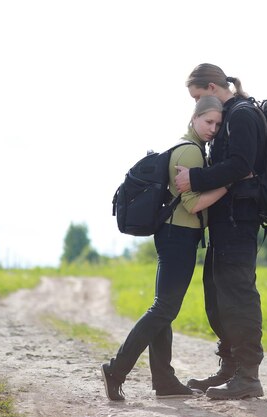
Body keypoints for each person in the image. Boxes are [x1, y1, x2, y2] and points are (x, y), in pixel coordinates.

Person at [101, 96, 227, 401]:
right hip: (178, 236)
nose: (213, 128)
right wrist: (228, 184)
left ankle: (164, 380)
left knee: (164, 309)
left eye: (218, 124)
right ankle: (116, 370)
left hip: (173, 234)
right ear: (194, 118)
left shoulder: (187, 147)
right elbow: (193, 203)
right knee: (163, 309)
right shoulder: (190, 152)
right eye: (208, 121)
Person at [175, 63, 266, 400]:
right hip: (224, 222)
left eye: (198, 97)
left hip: (239, 221)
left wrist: (195, 179)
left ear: (212, 88)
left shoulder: (241, 115)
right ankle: (229, 369)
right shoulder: (228, 117)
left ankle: (248, 377)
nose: (197, 106)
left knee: (238, 297)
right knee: (216, 295)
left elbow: (242, 165)